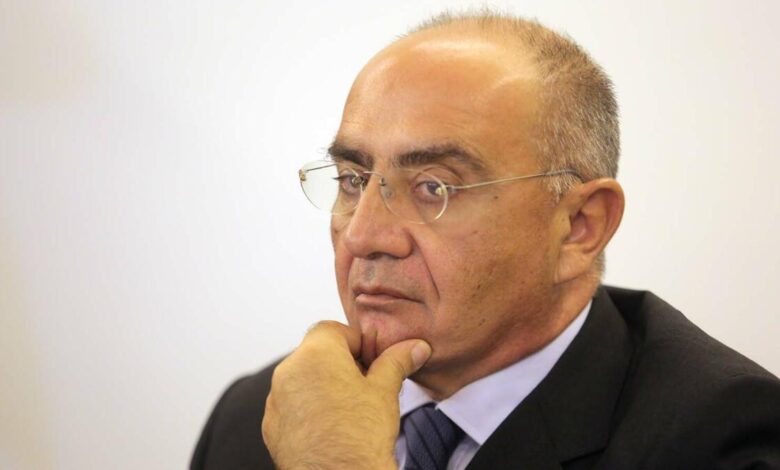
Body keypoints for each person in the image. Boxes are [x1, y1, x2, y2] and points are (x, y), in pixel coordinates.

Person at [191, 11, 780, 470]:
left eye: (432, 187)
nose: (365, 236)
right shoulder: (260, 418)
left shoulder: (720, 438)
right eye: (353, 179)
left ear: (580, 226)